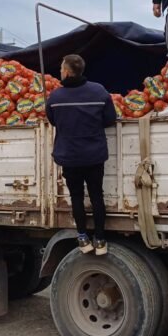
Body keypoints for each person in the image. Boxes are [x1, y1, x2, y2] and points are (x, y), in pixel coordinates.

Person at [45, 54, 117, 255]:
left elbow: (52, 120)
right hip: (94, 155)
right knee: (96, 195)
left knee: (76, 196)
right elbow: (110, 118)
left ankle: (83, 237)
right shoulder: (99, 91)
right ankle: (100, 240)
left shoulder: (56, 97)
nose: (60, 72)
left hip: (70, 156)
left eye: (61, 68)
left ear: (67, 72)